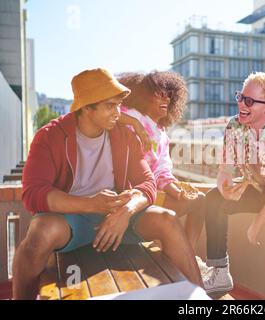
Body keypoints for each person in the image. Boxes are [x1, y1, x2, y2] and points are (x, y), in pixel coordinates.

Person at [13, 68, 202, 299]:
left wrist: (126, 210)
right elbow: (33, 194)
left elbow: (147, 184)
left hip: (117, 217)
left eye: (118, 105)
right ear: (87, 107)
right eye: (110, 106)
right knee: (40, 233)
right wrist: (91, 205)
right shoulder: (49, 137)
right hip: (73, 219)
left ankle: (199, 300)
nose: (118, 112)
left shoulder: (125, 135)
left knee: (167, 220)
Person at [202, 72, 265, 299]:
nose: (241, 103)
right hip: (259, 190)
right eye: (240, 97)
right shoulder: (235, 126)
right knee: (213, 199)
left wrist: (257, 224)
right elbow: (225, 170)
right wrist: (225, 187)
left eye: (248, 101)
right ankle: (219, 271)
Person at [115, 71, 208, 271]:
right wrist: (135, 124)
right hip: (125, 198)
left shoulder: (163, 134)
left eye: (169, 95)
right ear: (142, 95)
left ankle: (185, 258)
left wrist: (175, 189)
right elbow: (109, 112)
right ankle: (182, 262)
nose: (166, 98)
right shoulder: (130, 113)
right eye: (159, 93)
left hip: (150, 198)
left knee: (199, 200)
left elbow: (162, 171)